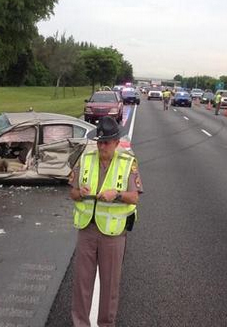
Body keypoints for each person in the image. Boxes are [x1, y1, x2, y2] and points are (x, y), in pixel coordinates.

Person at [69, 116, 143, 327]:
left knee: (110, 284)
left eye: (106, 142)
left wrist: (117, 194)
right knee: (82, 282)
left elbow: (135, 197)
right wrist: (79, 193)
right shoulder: (85, 159)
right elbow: (72, 192)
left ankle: (106, 323)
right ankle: (80, 323)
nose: (102, 146)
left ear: (117, 143)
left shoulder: (128, 163)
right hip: (86, 229)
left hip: (113, 233)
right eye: (99, 142)